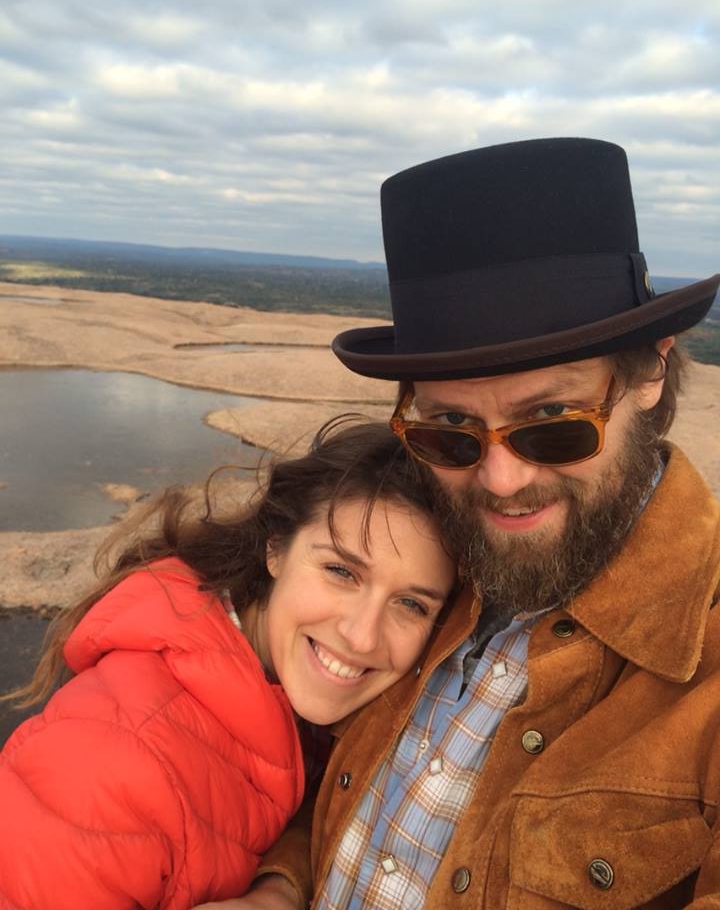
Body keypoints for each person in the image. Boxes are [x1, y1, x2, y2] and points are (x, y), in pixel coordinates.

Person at [215, 137, 720, 910]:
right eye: (452, 429)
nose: (501, 480)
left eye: (552, 422)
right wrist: (281, 889)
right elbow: (353, 785)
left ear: (652, 367)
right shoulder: (424, 566)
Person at [0, 421, 456, 910]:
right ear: (275, 548)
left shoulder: (305, 706)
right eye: (341, 571)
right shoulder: (105, 766)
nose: (362, 635)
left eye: (411, 604)